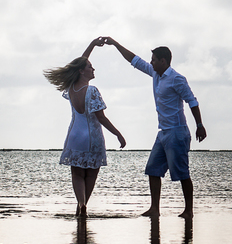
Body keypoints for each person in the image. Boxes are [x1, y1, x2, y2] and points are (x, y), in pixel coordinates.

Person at [100, 37, 206, 217]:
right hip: (163, 132)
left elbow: (192, 102)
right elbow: (135, 60)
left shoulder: (177, 79)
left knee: (182, 173)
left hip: (177, 132)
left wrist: (200, 125)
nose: (151, 63)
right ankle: (155, 209)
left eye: (154, 60)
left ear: (163, 61)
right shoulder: (155, 73)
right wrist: (115, 44)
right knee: (153, 170)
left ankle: (189, 211)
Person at [43, 38, 126, 217]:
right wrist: (118, 134)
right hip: (92, 137)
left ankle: (80, 204)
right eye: (90, 67)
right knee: (91, 175)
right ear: (82, 71)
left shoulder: (72, 88)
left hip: (74, 136)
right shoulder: (92, 91)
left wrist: (92, 45)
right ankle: (83, 206)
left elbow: (80, 63)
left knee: (77, 174)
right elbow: (101, 118)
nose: (93, 69)